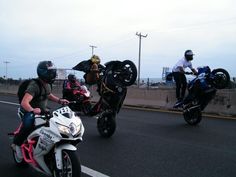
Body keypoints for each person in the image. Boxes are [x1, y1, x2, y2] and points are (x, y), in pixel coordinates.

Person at [12, 60, 69, 159]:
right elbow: (24, 102)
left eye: (53, 71)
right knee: (27, 125)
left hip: (42, 111)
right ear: (43, 72)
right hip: (29, 111)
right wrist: (32, 110)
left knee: (54, 124)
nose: (53, 74)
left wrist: (60, 100)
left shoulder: (47, 84)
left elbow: (48, 94)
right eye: (50, 72)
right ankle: (17, 145)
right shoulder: (34, 85)